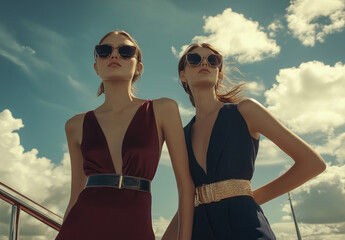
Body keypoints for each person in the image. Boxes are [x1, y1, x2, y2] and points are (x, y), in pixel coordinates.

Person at [162, 43, 326, 240]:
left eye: (212, 60)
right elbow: (186, 199)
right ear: (183, 75)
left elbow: (312, 164)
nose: (204, 62)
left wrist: (248, 199)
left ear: (219, 75)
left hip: (247, 226)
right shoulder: (181, 135)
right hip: (202, 230)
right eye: (195, 59)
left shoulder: (246, 111)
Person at [56, 31, 194, 240]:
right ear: (96, 67)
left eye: (125, 51)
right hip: (79, 229)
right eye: (104, 51)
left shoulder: (163, 109)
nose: (114, 55)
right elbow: (75, 195)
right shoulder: (75, 125)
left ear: (138, 66)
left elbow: (185, 185)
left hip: (134, 228)